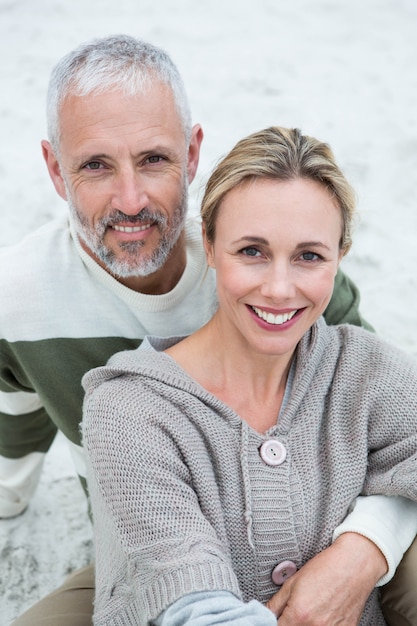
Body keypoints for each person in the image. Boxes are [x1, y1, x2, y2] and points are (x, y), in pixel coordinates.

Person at [0, 35, 415, 625]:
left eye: (154, 160)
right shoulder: (19, 299)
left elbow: (368, 409)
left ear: (192, 156)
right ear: (54, 169)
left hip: (327, 517)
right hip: (155, 535)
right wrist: (10, 490)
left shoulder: (290, 273)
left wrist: (363, 548)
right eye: (95, 165)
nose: (130, 199)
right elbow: (15, 401)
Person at [82, 125, 417, 626]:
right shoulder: (130, 410)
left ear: (339, 258)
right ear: (210, 248)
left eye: (309, 256)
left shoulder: (362, 368)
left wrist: (365, 547)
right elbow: (192, 611)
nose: (280, 289)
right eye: (252, 252)